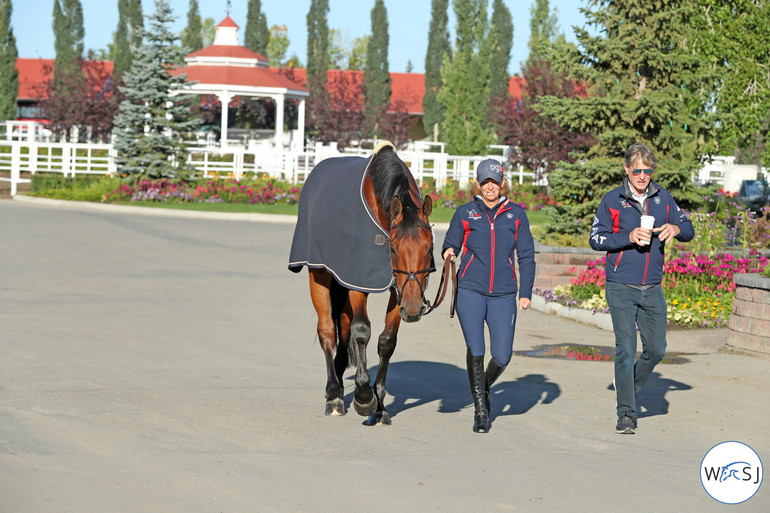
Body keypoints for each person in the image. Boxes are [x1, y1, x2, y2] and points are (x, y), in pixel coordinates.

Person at [589, 143, 694, 434]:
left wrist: (676, 229)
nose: (643, 176)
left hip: (653, 286)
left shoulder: (664, 199)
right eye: (637, 170)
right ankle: (626, 414)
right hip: (621, 285)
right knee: (626, 348)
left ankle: (628, 391)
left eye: (648, 170)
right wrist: (628, 236)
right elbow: (596, 239)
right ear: (626, 170)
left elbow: (688, 228)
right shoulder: (613, 200)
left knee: (657, 349)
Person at [442, 159, 536, 433]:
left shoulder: (516, 215)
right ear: (478, 184)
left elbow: (527, 256)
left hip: (504, 294)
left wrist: (526, 291)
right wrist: (449, 252)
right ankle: (481, 410)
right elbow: (451, 242)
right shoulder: (465, 213)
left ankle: (481, 388)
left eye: (494, 181)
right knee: (477, 349)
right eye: (485, 182)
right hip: (470, 290)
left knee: (503, 356)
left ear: (502, 183)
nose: (490, 186)